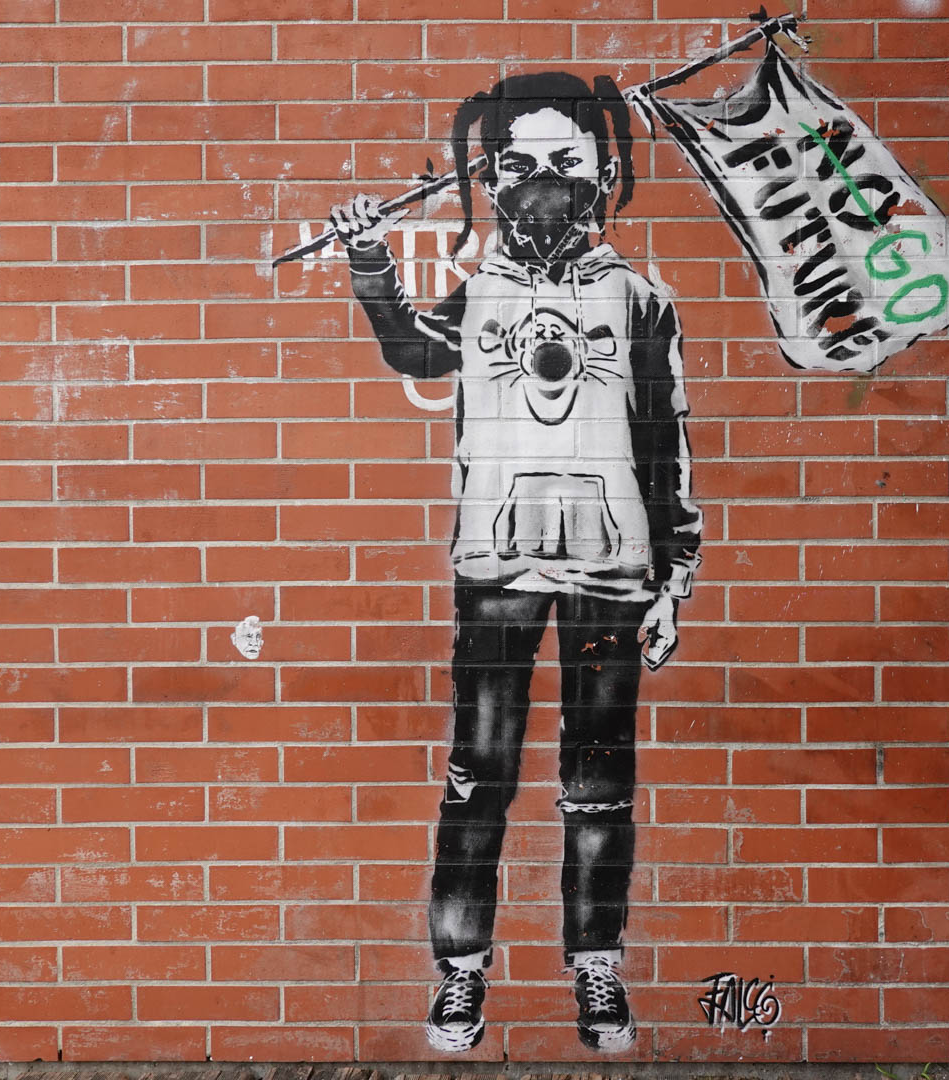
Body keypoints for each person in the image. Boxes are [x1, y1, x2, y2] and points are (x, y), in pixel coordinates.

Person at [328, 70, 702, 1054]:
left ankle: (595, 968)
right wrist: (370, 262)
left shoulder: (638, 299)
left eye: (563, 161)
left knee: (598, 783)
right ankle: (460, 974)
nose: (542, 182)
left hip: (612, 568)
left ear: (602, 174)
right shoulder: (481, 292)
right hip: (496, 568)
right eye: (518, 163)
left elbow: (666, 443)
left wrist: (675, 575)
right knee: (477, 775)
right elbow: (412, 353)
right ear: (490, 180)